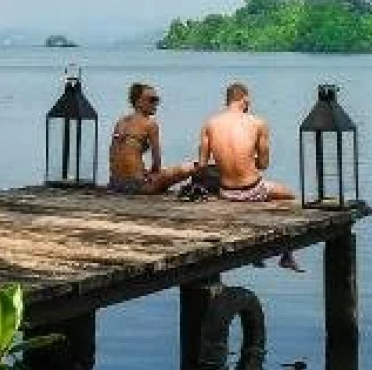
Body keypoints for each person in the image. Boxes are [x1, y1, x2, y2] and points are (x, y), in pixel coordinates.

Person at [198, 81, 302, 270]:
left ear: (228, 100)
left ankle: (257, 251)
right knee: (290, 196)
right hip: (252, 190)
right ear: (244, 99)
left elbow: (202, 166)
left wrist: (225, 163)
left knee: (255, 197)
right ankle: (286, 254)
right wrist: (248, 160)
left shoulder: (210, 123)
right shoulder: (257, 123)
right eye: (249, 101)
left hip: (226, 192)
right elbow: (263, 165)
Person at [108, 82, 197, 193]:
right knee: (189, 167)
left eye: (157, 100)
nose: (156, 104)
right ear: (138, 102)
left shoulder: (121, 122)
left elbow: (116, 153)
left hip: (114, 184)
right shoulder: (150, 124)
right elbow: (156, 162)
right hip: (137, 186)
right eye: (152, 100)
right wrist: (153, 175)